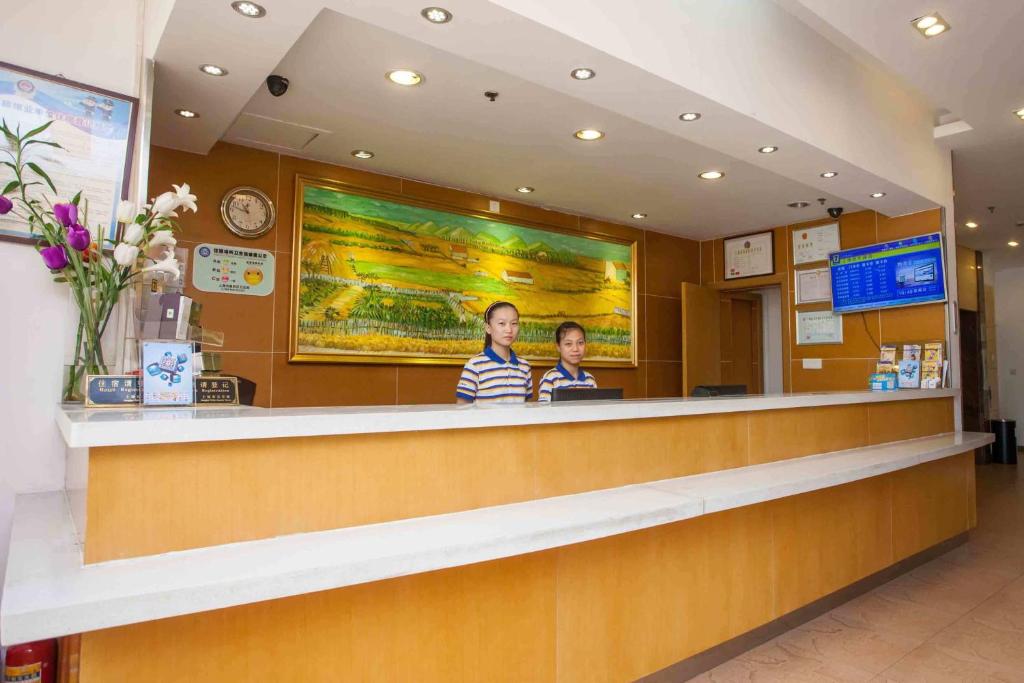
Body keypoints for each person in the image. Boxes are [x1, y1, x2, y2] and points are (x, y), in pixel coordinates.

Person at [456, 301, 533, 404]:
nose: (509, 329)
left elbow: (527, 409)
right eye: (502, 323)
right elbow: (462, 409)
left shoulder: (524, 367)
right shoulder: (475, 365)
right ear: (488, 328)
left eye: (514, 323)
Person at [538, 321, 597, 402]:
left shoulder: (590, 380)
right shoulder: (551, 378)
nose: (575, 349)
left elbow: (594, 410)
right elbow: (544, 412)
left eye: (580, 343)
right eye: (568, 344)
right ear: (558, 347)